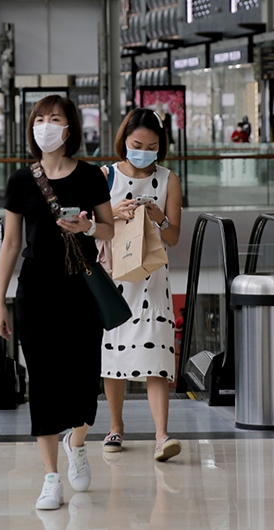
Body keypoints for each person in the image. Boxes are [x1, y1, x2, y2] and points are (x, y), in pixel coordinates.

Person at [0, 94, 115, 511]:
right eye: (39, 119)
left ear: (69, 128)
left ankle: (76, 442)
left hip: (79, 291)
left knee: (84, 382)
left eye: (54, 118)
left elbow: (109, 230)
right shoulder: (20, 181)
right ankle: (50, 477)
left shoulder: (90, 177)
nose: (45, 125)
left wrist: (87, 225)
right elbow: (10, 244)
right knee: (42, 383)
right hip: (36, 292)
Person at [100, 108, 183, 462]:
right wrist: (113, 213)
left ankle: (161, 436)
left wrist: (158, 216)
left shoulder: (168, 179)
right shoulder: (105, 176)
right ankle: (115, 426)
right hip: (116, 276)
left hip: (152, 278)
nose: (144, 152)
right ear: (125, 141)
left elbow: (175, 237)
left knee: (156, 355)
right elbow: (90, 226)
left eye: (151, 146)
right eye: (137, 144)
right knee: (114, 353)